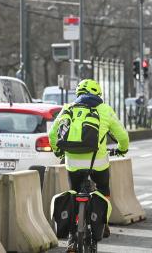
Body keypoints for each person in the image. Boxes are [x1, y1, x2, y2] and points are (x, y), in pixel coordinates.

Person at [49, 79, 129, 252]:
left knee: (74, 191)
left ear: (78, 94)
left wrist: (58, 151)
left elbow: (53, 134)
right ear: (98, 93)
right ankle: (103, 223)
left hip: (73, 162)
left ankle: (72, 238)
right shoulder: (105, 110)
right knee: (103, 190)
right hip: (98, 162)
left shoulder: (68, 108)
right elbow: (122, 135)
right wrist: (122, 149)